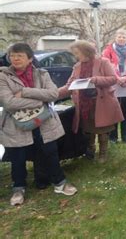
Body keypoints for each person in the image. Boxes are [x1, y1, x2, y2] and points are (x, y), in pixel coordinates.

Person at [0, 43, 77, 206]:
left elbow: (53, 94)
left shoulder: (42, 74)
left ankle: (60, 183)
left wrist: (26, 92)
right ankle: (18, 188)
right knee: (18, 157)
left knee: (50, 153)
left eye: (20, 55)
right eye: (12, 55)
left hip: (44, 122)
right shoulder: (3, 76)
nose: (15, 58)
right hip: (16, 125)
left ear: (29, 59)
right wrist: (39, 101)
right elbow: (9, 102)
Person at [59, 41, 124, 163]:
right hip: (84, 104)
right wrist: (53, 94)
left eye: (77, 53)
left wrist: (95, 80)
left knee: (103, 130)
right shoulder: (77, 66)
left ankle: (103, 153)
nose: (76, 56)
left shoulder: (103, 62)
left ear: (86, 51)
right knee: (88, 130)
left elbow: (113, 79)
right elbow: (69, 85)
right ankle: (90, 150)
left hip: (101, 103)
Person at [102, 28, 126, 144]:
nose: (121, 39)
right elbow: (105, 65)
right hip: (113, 84)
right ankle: (113, 137)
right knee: (114, 110)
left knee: (125, 111)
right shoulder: (107, 50)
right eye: (119, 37)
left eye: (124, 37)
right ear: (115, 38)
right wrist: (117, 78)